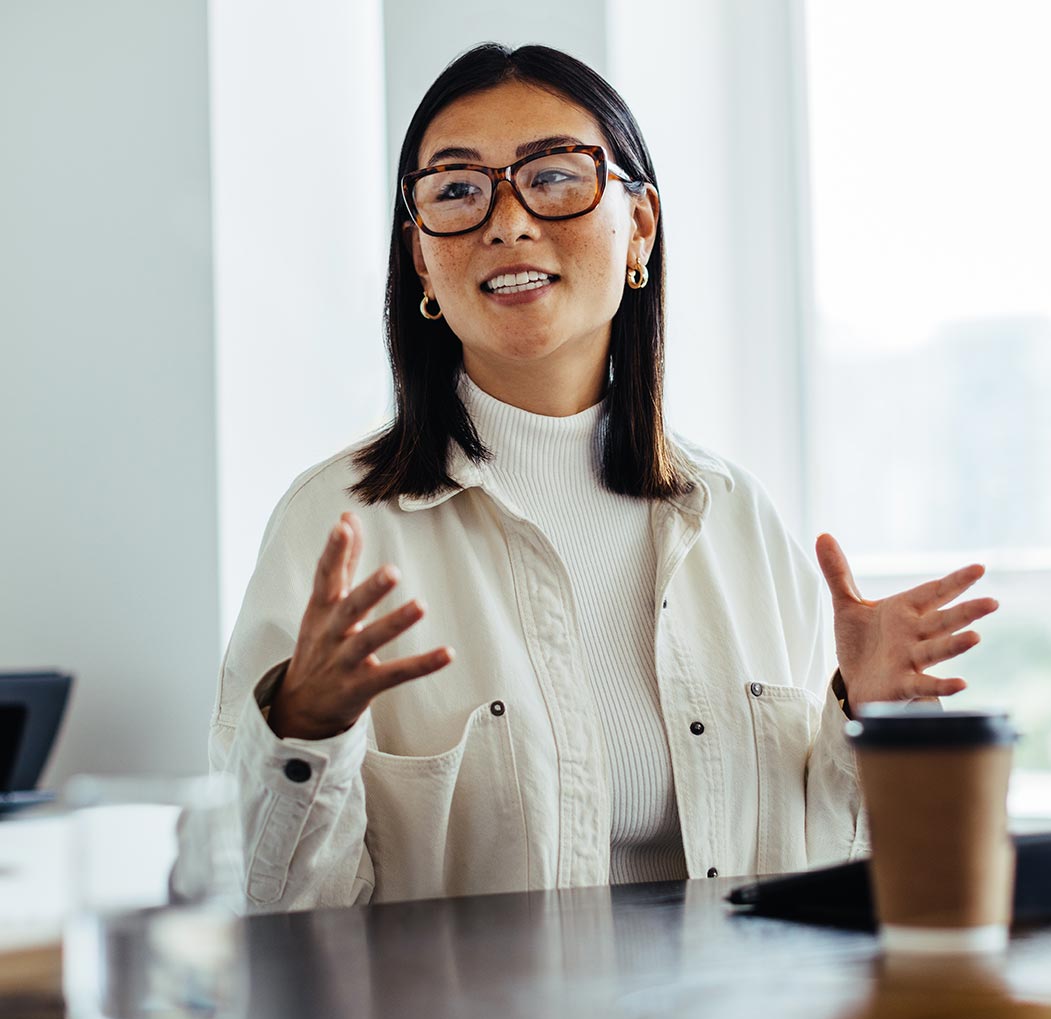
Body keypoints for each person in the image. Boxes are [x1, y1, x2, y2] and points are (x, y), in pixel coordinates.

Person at [210, 43, 998, 911]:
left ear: (641, 226)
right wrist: (304, 728)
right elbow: (268, 918)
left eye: (554, 177)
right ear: (422, 259)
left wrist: (861, 718)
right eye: (458, 191)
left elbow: (815, 884)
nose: (507, 222)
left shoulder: (737, 519)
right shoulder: (339, 525)